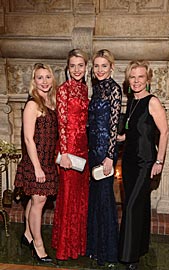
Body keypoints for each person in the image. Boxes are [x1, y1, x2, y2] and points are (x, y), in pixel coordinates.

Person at [117, 60, 169, 270]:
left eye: (140, 77)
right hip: (128, 160)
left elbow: (164, 132)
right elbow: (134, 131)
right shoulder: (131, 102)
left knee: (130, 206)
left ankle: (129, 256)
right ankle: (140, 247)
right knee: (138, 205)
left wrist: (159, 161)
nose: (136, 81)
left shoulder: (152, 101)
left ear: (147, 79)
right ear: (128, 80)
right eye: (133, 77)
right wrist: (119, 137)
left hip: (146, 161)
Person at [14, 63, 58, 263]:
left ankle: (27, 235)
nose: (44, 81)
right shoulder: (33, 104)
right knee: (39, 202)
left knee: (35, 200)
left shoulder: (51, 102)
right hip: (36, 162)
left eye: (47, 77)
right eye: (40, 77)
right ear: (34, 80)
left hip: (48, 160)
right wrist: (38, 168)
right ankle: (38, 246)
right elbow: (28, 139)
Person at [52, 49, 89, 262]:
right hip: (69, 151)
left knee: (79, 199)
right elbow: (62, 123)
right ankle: (65, 247)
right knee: (67, 199)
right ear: (68, 68)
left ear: (86, 67)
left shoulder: (84, 89)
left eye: (80, 65)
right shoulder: (63, 90)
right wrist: (64, 152)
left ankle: (77, 244)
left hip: (83, 149)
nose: (76, 69)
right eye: (73, 65)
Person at [87, 49, 122, 267]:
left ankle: (108, 252)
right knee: (96, 199)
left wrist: (110, 156)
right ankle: (95, 247)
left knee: (106, 199)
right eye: (97, 66)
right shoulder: (98, 88)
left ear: (111, 67)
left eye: (104, 65)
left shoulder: (114, 90)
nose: (100, 70)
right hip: (93, 150)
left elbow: (114, 125)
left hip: (105, 152)